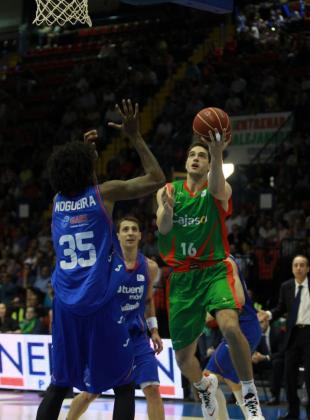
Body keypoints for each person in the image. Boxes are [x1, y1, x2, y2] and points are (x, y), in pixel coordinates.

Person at [36, 99, 165, 420]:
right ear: (85, 169)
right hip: (99, 304)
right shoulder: (104, 195)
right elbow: (156, 177)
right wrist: (134, 136)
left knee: (59, 385)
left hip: (65, 305)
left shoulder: (56, 202)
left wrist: (85, 156)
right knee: (124, 385)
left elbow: (79, 185)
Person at [156, 130, 264, 420]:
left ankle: (249, 394)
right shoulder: (168, 191)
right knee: (182, 358)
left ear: (207, 165)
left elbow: (218, 190)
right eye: (192, 155)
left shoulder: (219, 189)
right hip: (181, 277)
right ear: (186, 161)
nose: (196, 159)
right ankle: (205, 386)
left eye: (201, 156)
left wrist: (217, 152)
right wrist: (166, 211)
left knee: (229, 326)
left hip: (213, 268)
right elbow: (164, 228)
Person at [66, 215, 165, 420]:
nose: (130, 232)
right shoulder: (106, 265)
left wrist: (154, 330)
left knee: (153, 390)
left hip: (137, 338)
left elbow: (147, 301)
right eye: (125, 229)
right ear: (117, 235)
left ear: (140, 235)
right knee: (91, 393)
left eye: (134, 229)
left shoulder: (150, 267)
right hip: (108, 339)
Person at [205, 255, 262, 419]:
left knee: (227, 378)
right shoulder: (206, 264)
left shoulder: (224, 261)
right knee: (208, 382)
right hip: (238, 329)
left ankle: (255, 416)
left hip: (244, 328)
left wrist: (204, 313)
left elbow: (238, 300)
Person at [259, 254, 310, 420]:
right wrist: (267, 313)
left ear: (308, 268)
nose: (299, 268)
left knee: (309, 377)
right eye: (296, 265)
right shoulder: (286, 286)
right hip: (292, 335)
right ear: (292, 268)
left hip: (309, 334)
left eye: (302, 265)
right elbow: (280, 308)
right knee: (289, 376)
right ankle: (293, 413)